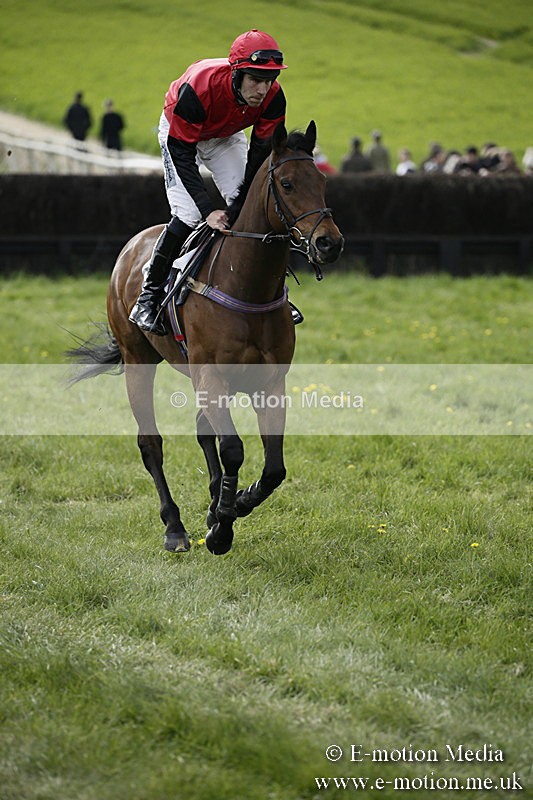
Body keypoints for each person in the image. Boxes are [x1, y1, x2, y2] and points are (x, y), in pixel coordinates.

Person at [129, 29, 287, 335]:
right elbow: (182, 153)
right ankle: (147, 295)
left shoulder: (274, 98)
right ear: (237, 73)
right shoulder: (198, 89)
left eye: (269, 80)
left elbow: (259, 154)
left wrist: (241, 200)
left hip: (225, 137)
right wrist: (207, 209)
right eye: (255, 79)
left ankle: (263, 297)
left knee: (250, 210)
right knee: (188, 214)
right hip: (181, 138)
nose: (263, 88)